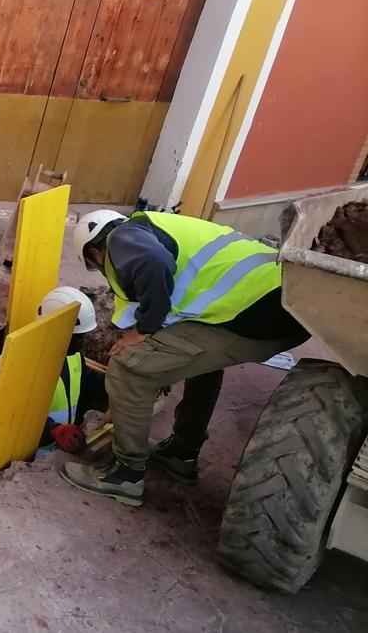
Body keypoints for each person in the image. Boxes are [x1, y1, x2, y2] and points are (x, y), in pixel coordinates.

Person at [59, 209, 310, 506]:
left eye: (94, 265)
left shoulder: (121, 238)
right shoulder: (158, 226)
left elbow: (154, 262)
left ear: (96, 252)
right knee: (202, 364)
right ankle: (181, 454)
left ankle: (125, 475)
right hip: (291, 305)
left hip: (255, 312)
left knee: (129, 370)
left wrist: (145, 328)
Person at [33, 287, 107, 454]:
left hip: (60, 448)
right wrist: (53, 430)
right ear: (52, 329)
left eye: (82, 335)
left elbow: (87, 381)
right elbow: (11, 416)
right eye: (76, 336)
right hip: (30, 453)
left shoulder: (72, 355)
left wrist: (125, 384)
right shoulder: (20, 364)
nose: (81, 341)